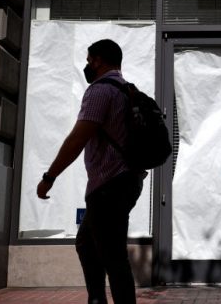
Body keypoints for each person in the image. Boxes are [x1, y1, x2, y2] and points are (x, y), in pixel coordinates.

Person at [37, 39, 145, 304]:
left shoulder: (100, 91)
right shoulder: (127, 90)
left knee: (113, 256)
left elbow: (77, 139)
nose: (87, 66)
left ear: (99, 60)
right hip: (124, 181)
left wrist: (49, 177)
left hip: (110, 184)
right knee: (87, 245)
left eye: (88, 60)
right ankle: (96, 299)